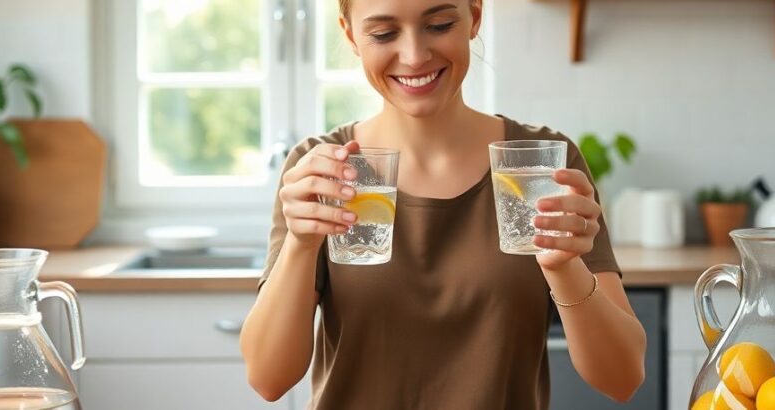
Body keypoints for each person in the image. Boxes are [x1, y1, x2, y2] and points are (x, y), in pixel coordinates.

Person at [239, 0, 646, 408]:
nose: (415, 56)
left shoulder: (542, 166)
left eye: (439, 25)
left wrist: (564, 267)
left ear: (475, 17)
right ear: (351, 36)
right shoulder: (321, 168)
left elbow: (623, 377)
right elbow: (268, 378)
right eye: (383, 34)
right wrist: (300, 244)